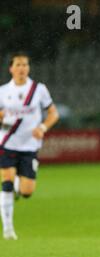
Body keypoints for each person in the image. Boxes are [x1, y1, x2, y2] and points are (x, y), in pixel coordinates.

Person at [0, 52, 59, 240]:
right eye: (18, 65)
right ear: (11, 68)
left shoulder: (38, 89)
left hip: (29, 146)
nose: (21, 68)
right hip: (7, 142)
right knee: (6, 182)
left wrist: (43, 127)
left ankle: (19, 183)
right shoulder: (2, 91)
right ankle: (8, 229)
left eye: (25, 65)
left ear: (29, 68)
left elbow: (53, 113)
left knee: (26, 192)